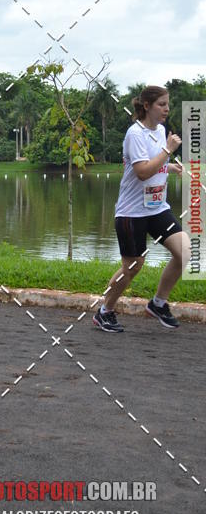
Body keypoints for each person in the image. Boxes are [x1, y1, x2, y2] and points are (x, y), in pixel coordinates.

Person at [93, 85, 189, 333]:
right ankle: (105, 311)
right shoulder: (134, 134)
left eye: (168, 104)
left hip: (157, 209)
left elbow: (153, 164)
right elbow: (143, 171)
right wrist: (168, 151)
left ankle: (158, 304)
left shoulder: (161, 131)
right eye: (162, 104)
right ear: (147, 106)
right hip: (131, 214)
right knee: (133, 267)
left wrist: (169, 168)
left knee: (186, 252)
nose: (167, 109)